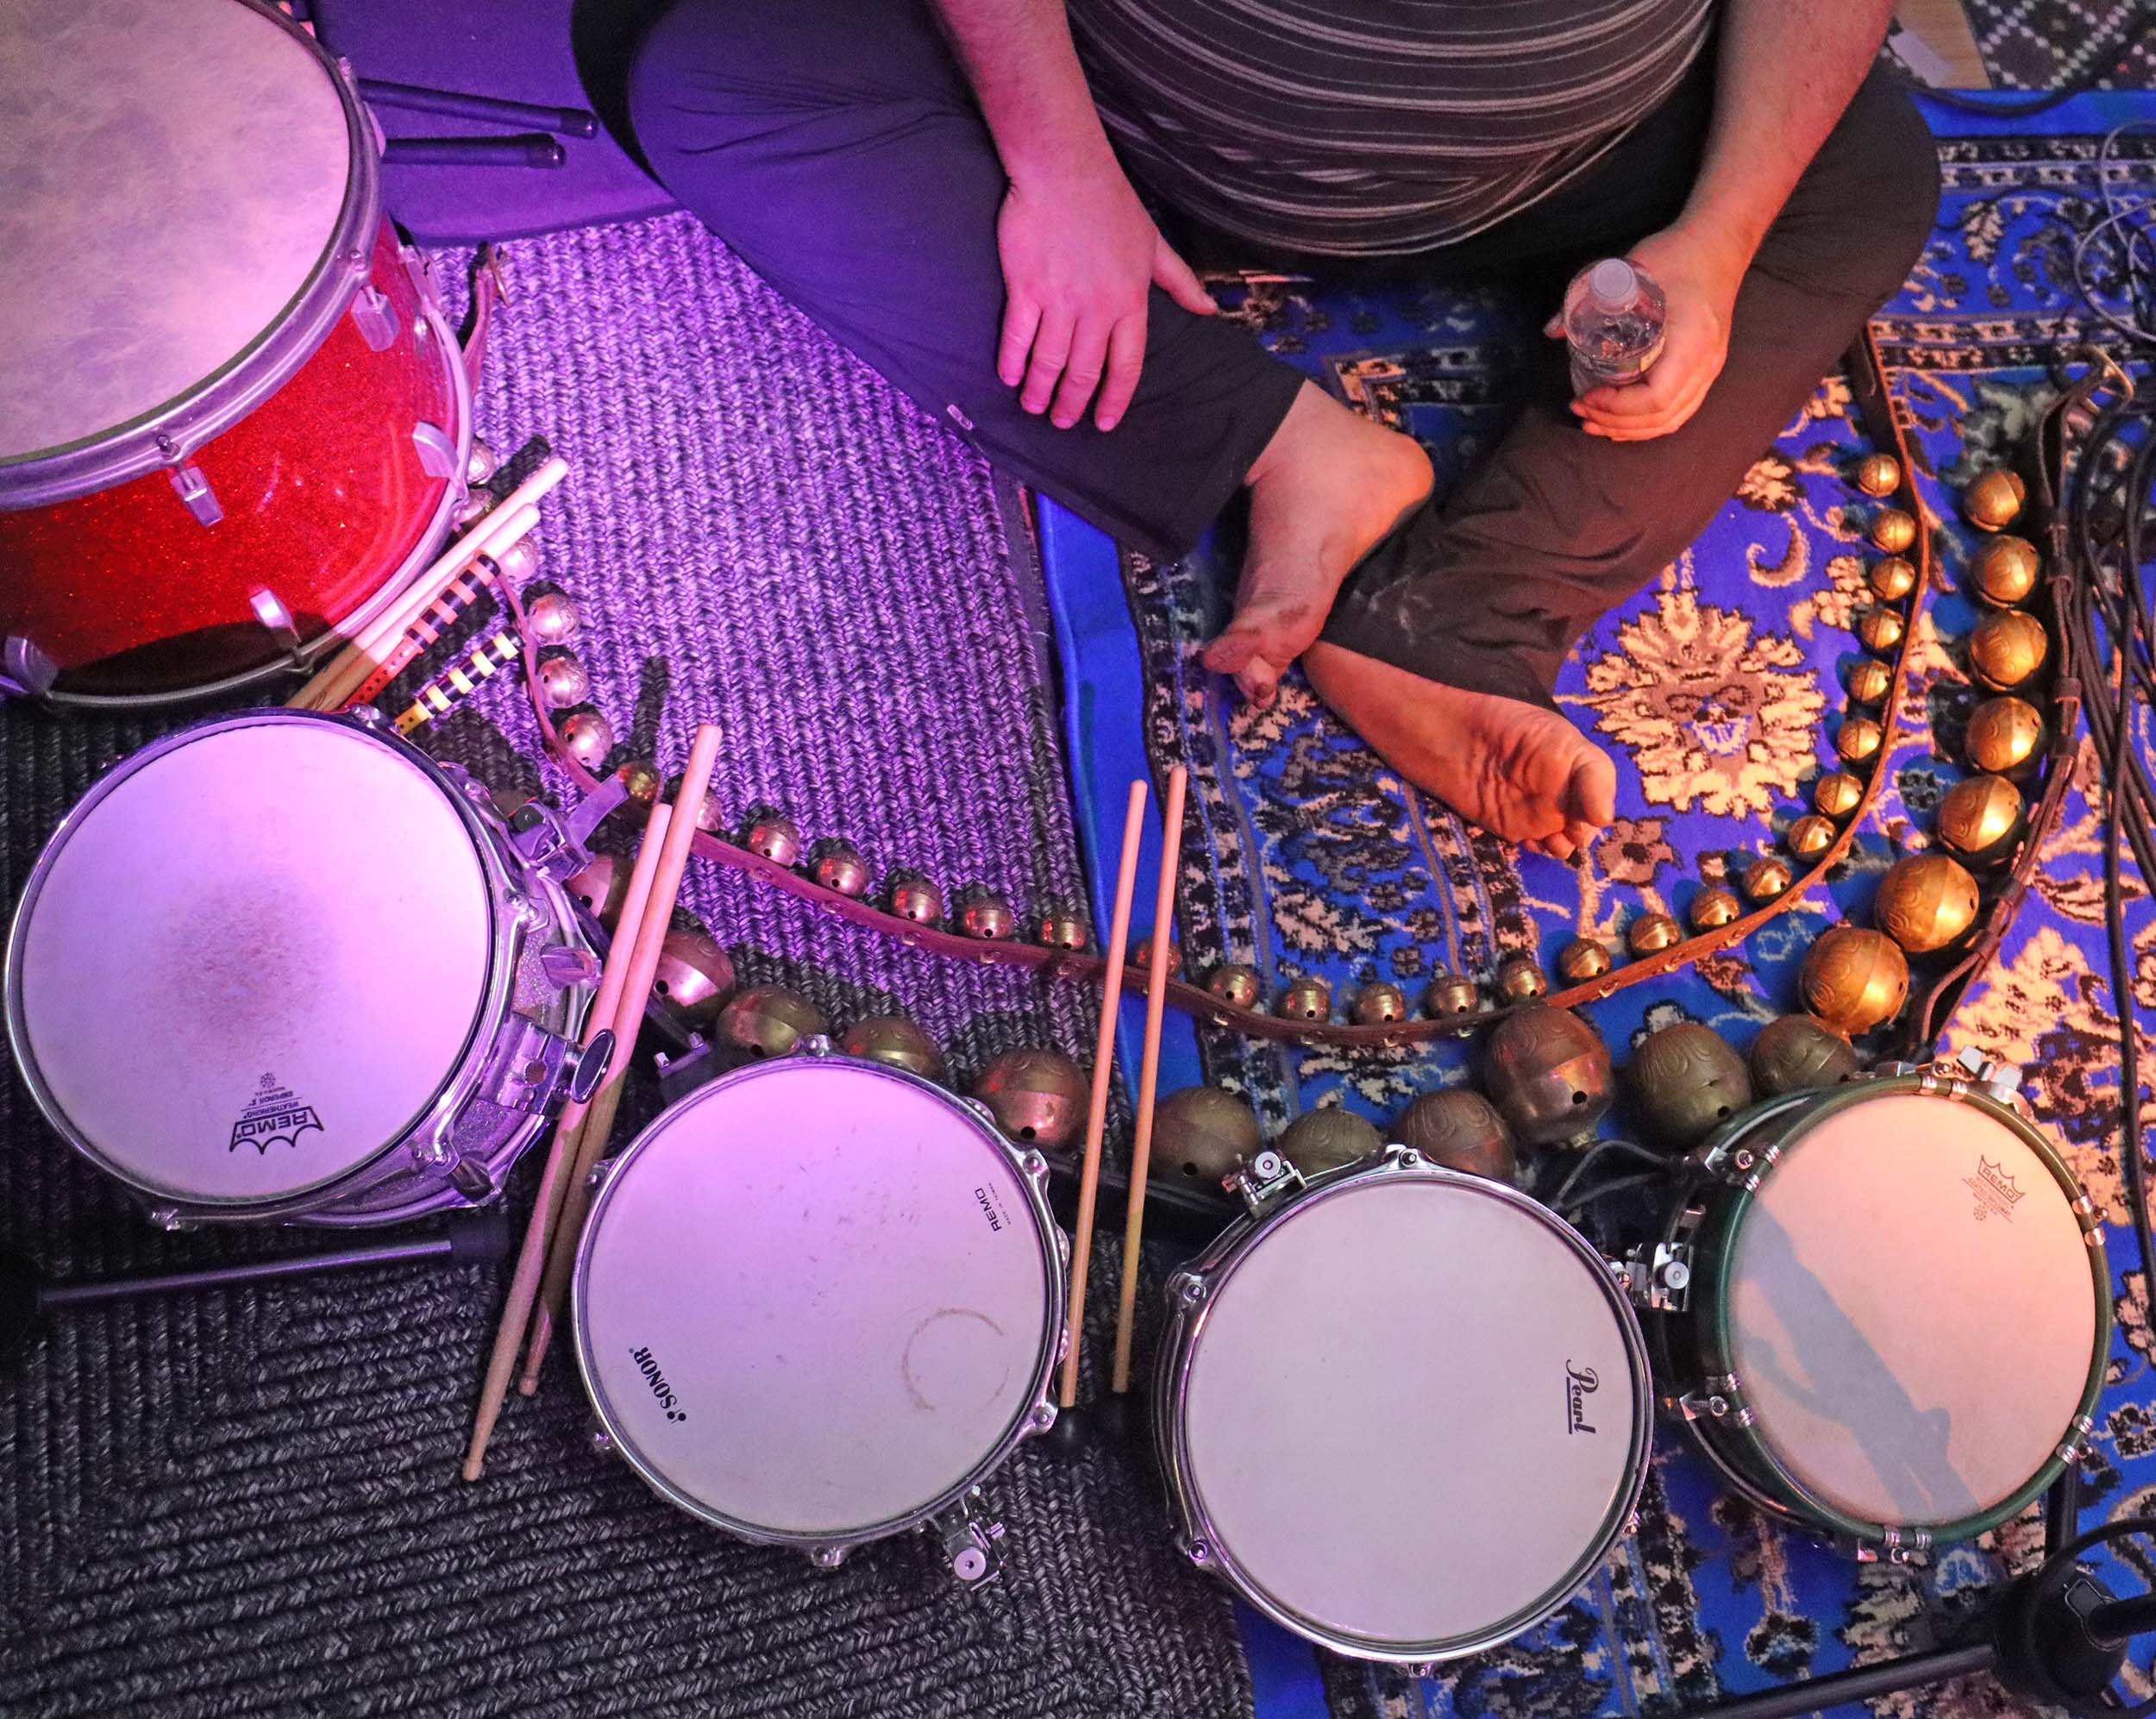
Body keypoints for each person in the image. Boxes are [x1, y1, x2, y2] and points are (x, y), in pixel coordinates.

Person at [627, 0, 1940, 859]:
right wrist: (1058, 163)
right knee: (705, 68)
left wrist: (1716, 242)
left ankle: (1460, 617)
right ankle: (1286, 443)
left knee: (1860, 167)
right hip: (1131, 130)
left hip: (1565, 165)